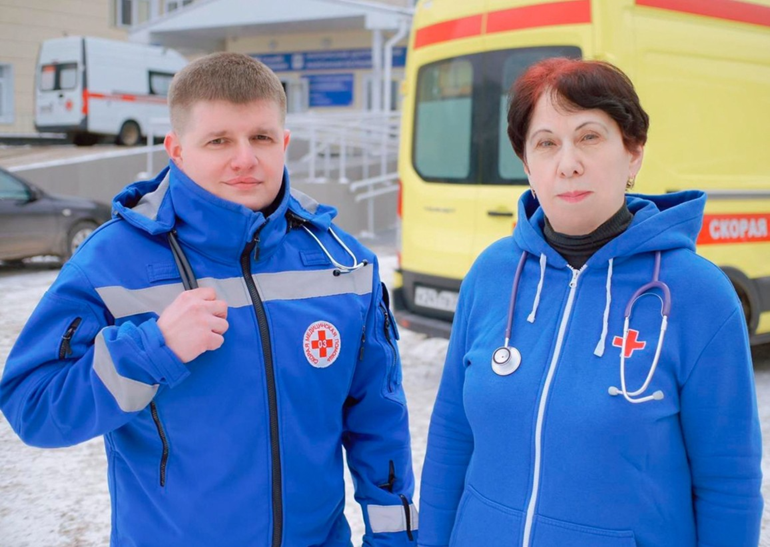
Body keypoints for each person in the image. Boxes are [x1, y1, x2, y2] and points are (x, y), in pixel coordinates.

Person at [0, 52, 417, 546]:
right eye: (219, 140)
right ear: (176, 150)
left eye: (261, 137)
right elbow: (33, 407)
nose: (245, 158)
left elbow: (379, 423)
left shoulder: (342, 262)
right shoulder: (110, 263)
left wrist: (395, 538)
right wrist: (152, 351)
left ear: (284, 143)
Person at [418, 58, 763, 546]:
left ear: (633, 152)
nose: (568, 163)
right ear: (527, 165)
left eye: (589, 137)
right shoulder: (491, 275)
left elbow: (728, 483)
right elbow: (452, 437)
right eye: (546, 143)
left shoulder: (699, 295)